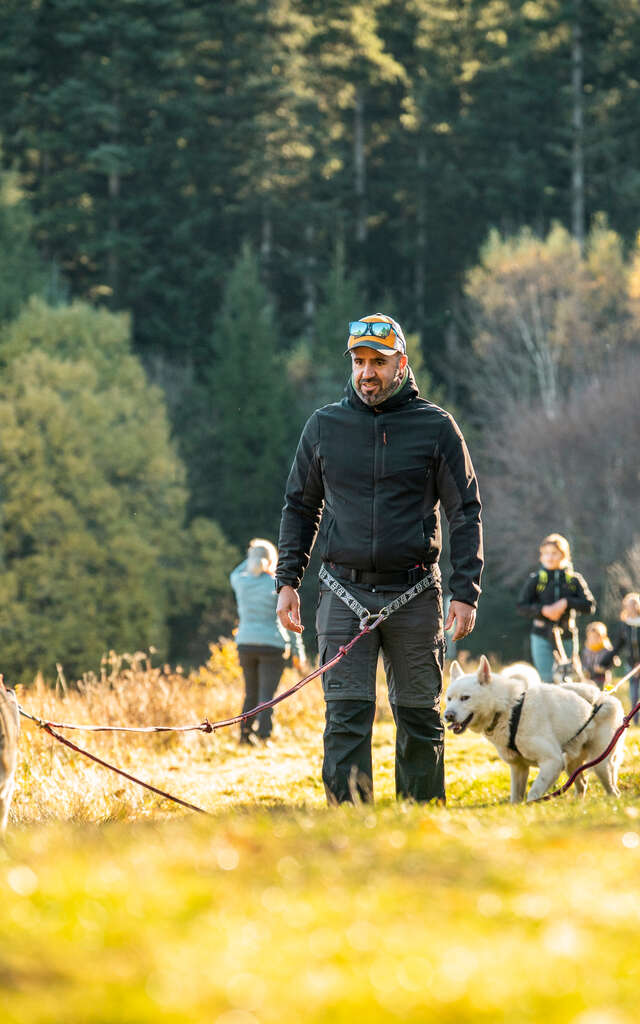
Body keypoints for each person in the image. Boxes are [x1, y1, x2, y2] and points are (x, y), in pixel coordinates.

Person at [275, 312, 483, 804]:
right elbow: (300, 506)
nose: (367, 372)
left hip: (415, 593)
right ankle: (353, 831)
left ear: (401, 364)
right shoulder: (324, 425)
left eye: (378, 362)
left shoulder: (437, 428)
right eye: (359, 361)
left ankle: (421, 824)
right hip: (343, 593)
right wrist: (287, 580)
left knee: (419, 716)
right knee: (345, 717)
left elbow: (465, 511)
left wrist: (465, 590)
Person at [230, 538, 306, 744]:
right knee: (267, 695)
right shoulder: (277, 585)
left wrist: (253, 558)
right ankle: (264, 735)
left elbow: (236, 572)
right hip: (273, 645)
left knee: (250, 693)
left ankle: (245, 736)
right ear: (273, 560)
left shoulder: (240, 581)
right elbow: (288, 622)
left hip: (245, 644)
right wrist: (299, 653)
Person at [517, 533, 595, 683]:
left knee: (567, 681)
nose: (549, 557)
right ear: (541, 556)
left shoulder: (574, 579)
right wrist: (543, 610)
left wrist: (566, 602)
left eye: (554, 553)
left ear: (563, 555)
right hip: (541, 636)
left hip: (567, 636)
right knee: (546, 680)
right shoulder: (536, 579)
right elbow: (521, 606)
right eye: (545, 553)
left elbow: (589, 606)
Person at [612, 592, 640, 725]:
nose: (631, 608)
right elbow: (617, 646)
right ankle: (635, 721)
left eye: (633, 605)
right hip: (630, 665)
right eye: (629, 605)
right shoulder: (625, 626)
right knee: (633, 695)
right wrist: (605, 661)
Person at [581, 621, 619, 690]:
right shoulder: (586, 651)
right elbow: (584, 664)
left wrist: (604, 668)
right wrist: (585, 670)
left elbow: (616, 663)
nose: (593, 640)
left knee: (603, 694)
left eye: (596, 637)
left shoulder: (606, 650)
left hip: (603, 679)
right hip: (590, 679)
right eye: (591, 637)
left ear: (602, 637)